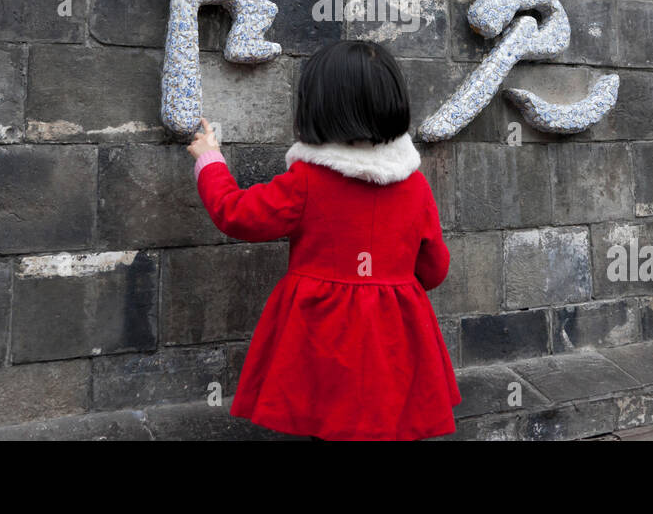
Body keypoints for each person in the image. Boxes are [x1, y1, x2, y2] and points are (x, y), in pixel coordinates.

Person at [188, 39, 461, 440]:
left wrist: (209, 159)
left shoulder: (307, 181)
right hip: (395, 337)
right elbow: (434, 270)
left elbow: (237, 214)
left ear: (318, 105)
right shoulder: (415, 185)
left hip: (321, 329)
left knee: (329, 425)